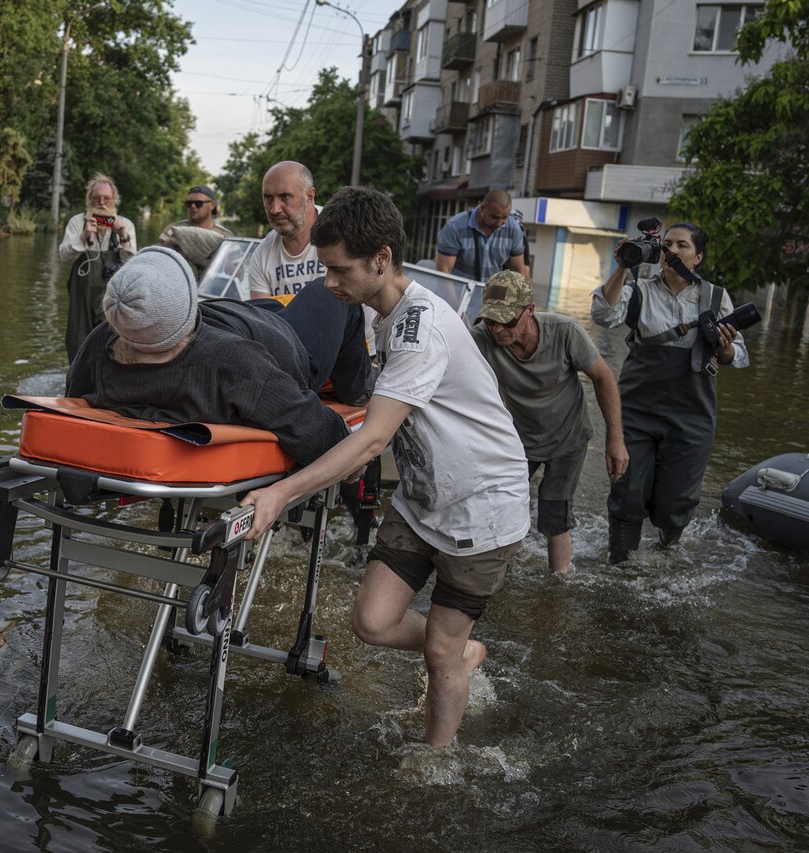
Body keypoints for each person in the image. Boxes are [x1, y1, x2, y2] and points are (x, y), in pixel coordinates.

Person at [242, 188, 530, 749]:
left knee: (439, 653)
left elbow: (374, 440)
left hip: (483, 507)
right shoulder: (382, 311)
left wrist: (279, 496)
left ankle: (434, 759)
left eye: (337, 270)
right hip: (423, 499)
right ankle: (461, 649)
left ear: (382, 258)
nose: (327, 285)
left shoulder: (420, 327)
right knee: (372, 622)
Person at [66, 246, 370, 468]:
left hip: (239, 321)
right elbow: (315, 430)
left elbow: (74, 396)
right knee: (332, 290)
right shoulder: (230, 363)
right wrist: (357, 457)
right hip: (292, 348)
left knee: (268, 307)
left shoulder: (101, 341)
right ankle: (359, 390)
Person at [591, 222, 749, 562]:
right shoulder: (640, 290)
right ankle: (620, 566)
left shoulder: (716, 297)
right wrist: (622, 265)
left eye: (682, 246)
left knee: (676, 501)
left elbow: (741, 355)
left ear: (699, 257)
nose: (672, 251)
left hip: (693, 415)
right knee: (627, 491)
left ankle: (666, 555)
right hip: (636, 411)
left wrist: (725, 350)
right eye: (667, 245)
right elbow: (603, 316)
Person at [469, 270, 629, 574]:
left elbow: (604, 378)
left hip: (567, 437)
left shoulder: (565, 331)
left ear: (530, 310)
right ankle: (496, 576)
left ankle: (559, 583)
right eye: (491, 321)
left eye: (508, 321)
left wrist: (615, 440)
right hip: (516, 440)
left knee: (554, 513)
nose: (498, 330)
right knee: (498, 507)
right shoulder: (480, 339)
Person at [58, 173, 138, 361]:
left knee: (112, 339)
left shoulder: (125, 224)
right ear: (89, 199)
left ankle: (107, 382)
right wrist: (83, 238)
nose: (102, 202)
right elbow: (64, 256)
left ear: (114, 200)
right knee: (77, 339)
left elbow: (133, 265)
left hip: (113, 295)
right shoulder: (78, 223)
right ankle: (76, 382)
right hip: (81, 295)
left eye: (107, 198)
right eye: (96, 198)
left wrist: (123, 237)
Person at [246, 161, 325, 299]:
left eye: (285, 197)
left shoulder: (342, 232)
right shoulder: (262, 254)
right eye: (268, 198)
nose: (275, 209)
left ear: (309, 196)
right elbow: (261, 318)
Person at [434, 190, 530, 282]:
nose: (499, 223)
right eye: (494, 217)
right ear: (482, 208)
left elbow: (518, 271)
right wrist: (454, 299)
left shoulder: (513, 229)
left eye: (505, 217)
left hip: (492, 294)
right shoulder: (455, 227)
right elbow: (444, 272)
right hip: (459, 293)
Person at [156, 185, 234, 274]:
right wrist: (169, 244)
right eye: (189, 203)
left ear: (212, 205)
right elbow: (155, 260)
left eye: (198, 203)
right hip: (178, 283)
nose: (193, 206)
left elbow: (239, 274)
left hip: (208, 286)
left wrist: (219, 253)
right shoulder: (172, 230)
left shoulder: (226, 236)